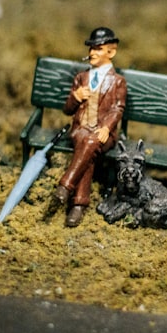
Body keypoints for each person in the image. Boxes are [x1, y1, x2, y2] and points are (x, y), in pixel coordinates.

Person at [52, 27, 127, 227]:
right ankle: (79, 205)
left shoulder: (118, 82)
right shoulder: (81, 78)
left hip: (103, 133)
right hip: (80, 129)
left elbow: (117, 109)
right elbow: (67, 111)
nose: (92, 53)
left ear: (111, 52)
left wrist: (106, 128)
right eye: (91, 49)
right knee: (86, 142)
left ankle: (66, 186)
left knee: (91, 142)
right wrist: (75, 98)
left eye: (98, 49)